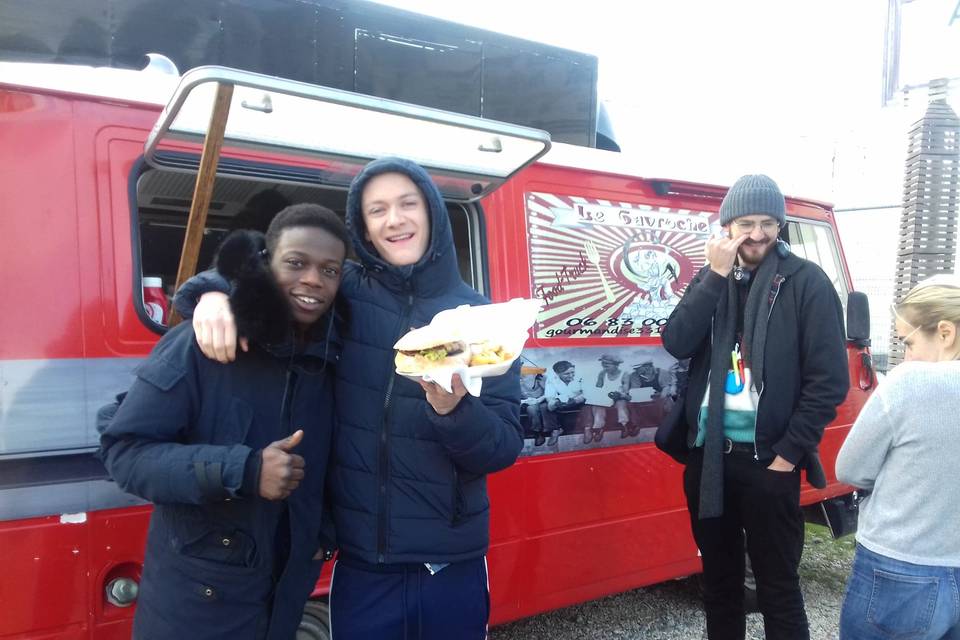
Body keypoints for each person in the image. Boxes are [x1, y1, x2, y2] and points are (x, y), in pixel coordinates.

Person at [174, 157, 523, 640]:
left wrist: (454, 410)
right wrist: (211, 294)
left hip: (450, 564)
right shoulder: (347, 295)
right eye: (376, 209)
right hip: (362, 564)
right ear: (363, 226)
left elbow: (502, 448)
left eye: (407, 203)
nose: (394, 219)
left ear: (433, 213)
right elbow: (272, 266)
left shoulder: (483, 320)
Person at [100, 204, 348, 640]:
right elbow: (126, 452)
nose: (313, 279)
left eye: (330, 269)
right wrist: (245, 470)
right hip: (195, 612)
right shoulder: (199, 344)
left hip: (282, 604)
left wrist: (320, 534)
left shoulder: (330, 361)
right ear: (266, 263)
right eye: (295, 263)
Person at [661, 174, 849, 640]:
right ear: (727, 227)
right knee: (719, 585)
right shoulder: (711, 277)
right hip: (709, 461)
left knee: (778, 588)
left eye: (769, 223)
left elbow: (828, 383)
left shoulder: (807, 282)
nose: (759, 234)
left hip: (770, 462)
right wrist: (714, 275)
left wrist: (787, 457)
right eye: (747, 223)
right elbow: (677, 342)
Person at [836, 276, 960, 640]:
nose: (904, 355)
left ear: (945, 332)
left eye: (908, 342)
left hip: (899, 566)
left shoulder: (911, 382)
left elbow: (850, 468)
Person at [584, 354, 630, 443]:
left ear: (615, 365)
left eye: (607, 365)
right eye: (603, 364)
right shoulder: (602, 373)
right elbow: (599, 387)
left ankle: (624, 425)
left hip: (619, 397)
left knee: (621, 404)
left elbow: (626, 390)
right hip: (606, 397)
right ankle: (598, 428)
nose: (605, 367)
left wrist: (619, 394)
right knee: (597, 405)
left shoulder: (624, 373)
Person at [543, 360, 585, 445]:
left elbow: (587, 393)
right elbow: (549, 396)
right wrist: (555, 402)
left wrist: (576, 400)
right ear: (558, 374)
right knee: (547, 406)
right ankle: (555, 430)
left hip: (579, 401)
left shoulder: (581, 376)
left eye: (572, 372)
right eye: (566, 374)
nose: (571, 375)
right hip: (562, 401)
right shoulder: (552, 379)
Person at [520, 370, 550, 446]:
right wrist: (525, 401)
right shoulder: (513, 380)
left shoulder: (540, 377)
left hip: (542, 400)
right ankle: (537, 433)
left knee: (545, 407)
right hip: (526, 402)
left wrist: (538, 400)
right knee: (531, 409)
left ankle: (548, 430)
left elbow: (550, 392)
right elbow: (512, 397)